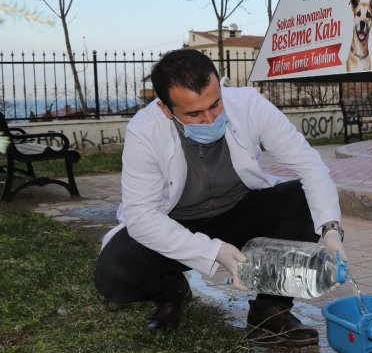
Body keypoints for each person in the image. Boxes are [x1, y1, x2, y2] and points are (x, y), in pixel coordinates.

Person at [94, 49, 346, 348]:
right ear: (165, 108)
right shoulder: (144, 130)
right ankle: (171, 291)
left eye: (215, 105)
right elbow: (141, 216)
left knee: (301, 198)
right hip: (177, 223)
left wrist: (330, 229)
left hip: (241, 210)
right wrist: (215, 252)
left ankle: (270, 311)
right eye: (194, 114)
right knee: (114, 274)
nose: (210, 118)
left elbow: (309, 164)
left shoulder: (249, 104)